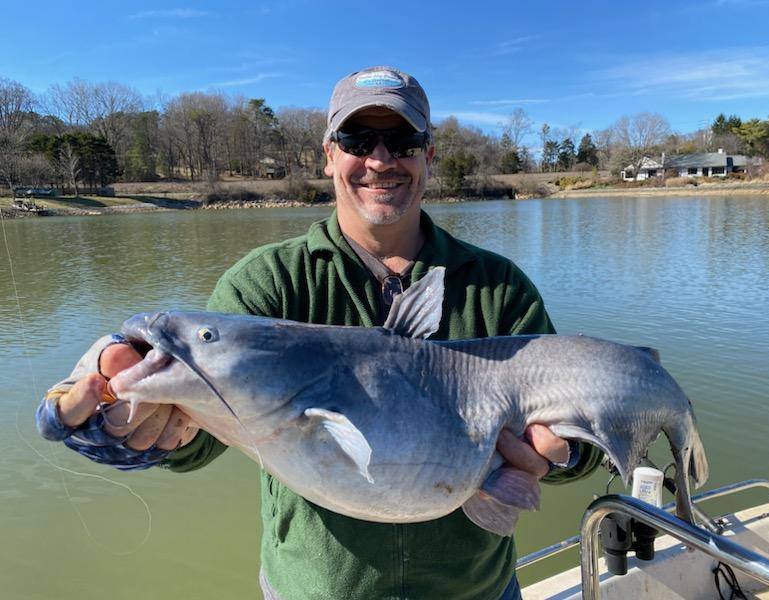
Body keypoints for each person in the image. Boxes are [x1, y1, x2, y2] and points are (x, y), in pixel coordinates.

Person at [37, 66, 602, 600]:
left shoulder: (498, 286)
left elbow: (582, 439)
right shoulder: (267, 281)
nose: (380, 160)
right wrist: (125, 423)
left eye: (403, 141)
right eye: (357, 140)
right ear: (329, 155)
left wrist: (565, 454)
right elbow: (198, 438)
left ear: (429, 155)